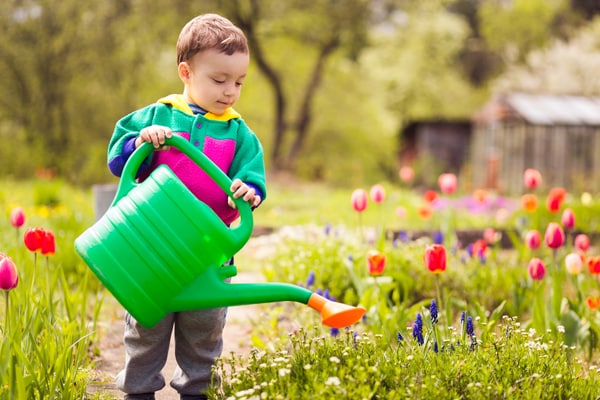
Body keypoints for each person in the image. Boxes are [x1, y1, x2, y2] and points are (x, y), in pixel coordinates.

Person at [106, 13, 267, 400]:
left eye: (239, 82)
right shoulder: (158, 116)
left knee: (203, 333)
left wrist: (248, 190)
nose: (230, 91)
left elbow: (254, 179)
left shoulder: (238, 132)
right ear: (186, 71)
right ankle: (138, 392)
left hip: (208, 251)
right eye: (219, 80)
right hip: (153, 248)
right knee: (146, 328)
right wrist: (141, 142)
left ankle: (198, 392)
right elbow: (118, 160)